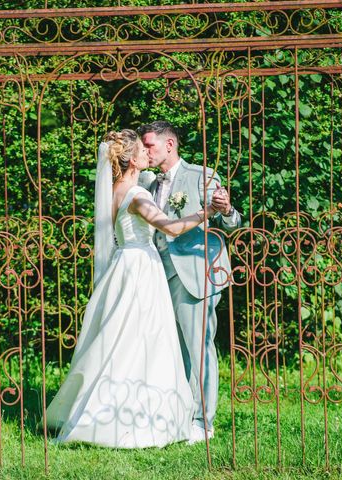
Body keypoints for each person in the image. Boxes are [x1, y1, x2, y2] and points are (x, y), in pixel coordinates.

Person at [46, 129, 220, 448]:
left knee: (120, 340)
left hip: (123, 265)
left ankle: (112, 402)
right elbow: (171, 227)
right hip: (141, 268)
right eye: (141, 150)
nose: (146, 154)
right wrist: (207, 212)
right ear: (133, 161)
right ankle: (135, 413)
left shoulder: (115, 189)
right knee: (145, 340)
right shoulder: (138, 195)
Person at [138, 121, 242, 444]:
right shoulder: (148, 182)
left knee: (199, 348)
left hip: (196, 273)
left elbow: (232, 222)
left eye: (150, 146)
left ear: (170, 145)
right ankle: (181, 413)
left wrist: (226, 210)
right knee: (174, 349)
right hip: (161, 276)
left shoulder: (201, 176)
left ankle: (203, 421)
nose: (145, 151)